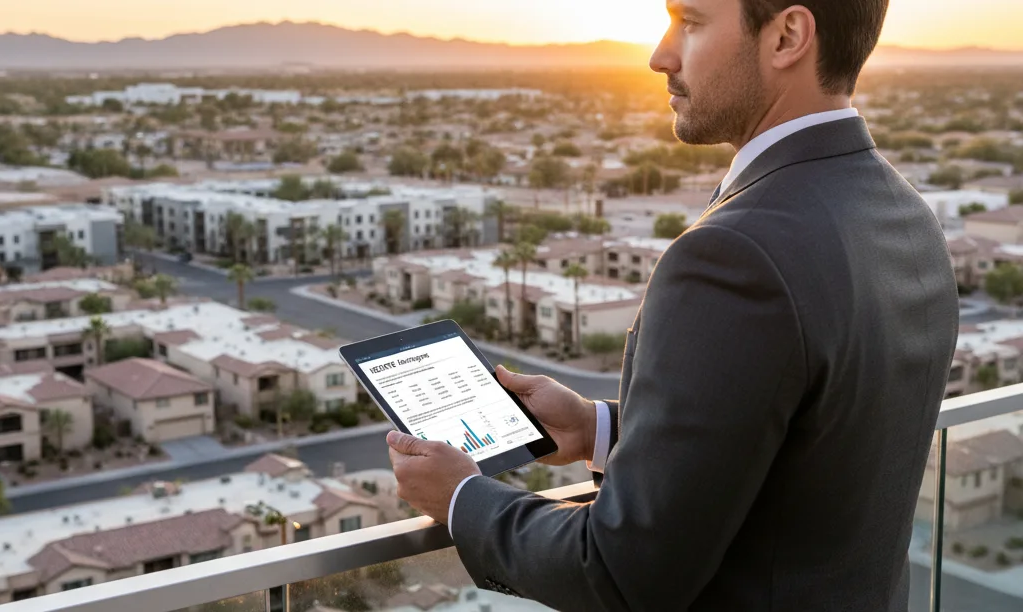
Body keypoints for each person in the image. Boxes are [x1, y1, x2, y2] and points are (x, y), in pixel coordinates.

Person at [385, 0, 959, 609]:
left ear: (787, 36)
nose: (660, 56)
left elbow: (619, 573)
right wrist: (597, 429)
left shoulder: (736, 252)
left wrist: (462, 499)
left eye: (690, 21)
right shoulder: (905, 215)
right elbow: (814, 451)